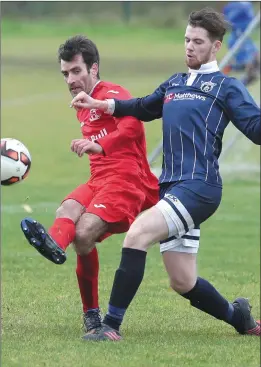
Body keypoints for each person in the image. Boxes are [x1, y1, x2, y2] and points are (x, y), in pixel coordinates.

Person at [70, 8, 261, 341]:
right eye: (187, 39)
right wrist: (102, 106)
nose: (189, 46)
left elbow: (256, 128)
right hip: (172, 188)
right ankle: (240, 318)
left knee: (138, 233)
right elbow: (143, 106)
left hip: (200, 187)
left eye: (198, 42)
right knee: (182, 281)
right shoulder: (175, 82)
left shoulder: (225, 87)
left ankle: (110, 327)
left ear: (216, 47)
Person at [20, 35, 159, 335]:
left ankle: (94, 315)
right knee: (67, 208)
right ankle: (55, 245)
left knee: (82, 234)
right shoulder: (80, 104)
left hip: (127, 182)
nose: (70, 79)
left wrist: (101, 146)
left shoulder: (113, 93)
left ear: (93, 69)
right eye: (66, 74)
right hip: (99, 180)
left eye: (76, 71)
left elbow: (133, 125)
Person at [222, 1, 260, 86]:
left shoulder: (246, 4)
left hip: (245, 39)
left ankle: (237, 87)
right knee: (250, 66)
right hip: (238, 40)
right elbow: (229, 22)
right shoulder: (233, 6)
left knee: (254, 68)